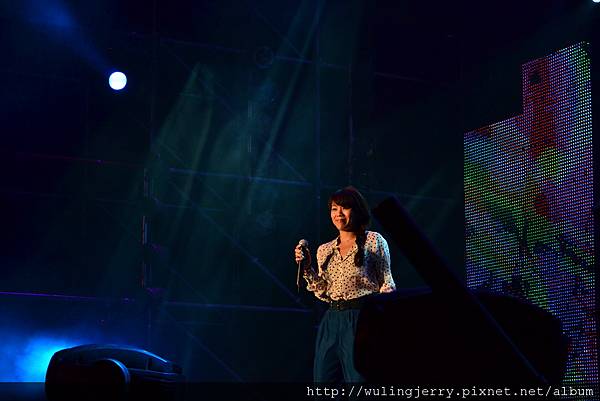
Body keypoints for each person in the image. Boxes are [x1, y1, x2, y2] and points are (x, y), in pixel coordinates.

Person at [294, 186, 396, 383]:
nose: (338, 213)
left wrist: (381, 322)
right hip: (332, 319)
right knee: (323, 382)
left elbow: (387, 283)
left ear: (356, 210)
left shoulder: (373, 241)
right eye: (334, 209)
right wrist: (307, 268)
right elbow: (323, 290)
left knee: (358, 381)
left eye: (345, 208)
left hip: (361, 317)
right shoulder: (324, 250)